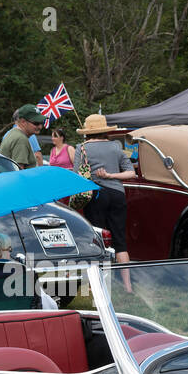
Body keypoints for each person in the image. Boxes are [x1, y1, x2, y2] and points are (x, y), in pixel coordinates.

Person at [77, 114, 135, 275]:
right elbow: (131, 173)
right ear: (105, 131)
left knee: (97, 240)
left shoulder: (82, 148)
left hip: (96, 196)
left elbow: (78, 177)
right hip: (117, 194)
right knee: (120, 242)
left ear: (87, 132)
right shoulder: (116, 147)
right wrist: (111, 176)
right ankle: (127, 285)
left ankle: (101, 282)